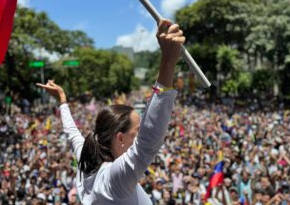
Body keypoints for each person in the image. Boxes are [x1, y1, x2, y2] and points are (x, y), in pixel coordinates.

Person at [37, 19, 185, 204]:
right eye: (137, 131)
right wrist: (168, 61)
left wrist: (62, 101)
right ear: (120, 138)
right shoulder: (113, 179)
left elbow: (72, 132)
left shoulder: (87, 158)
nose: (141, 134)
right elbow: (149, 140)